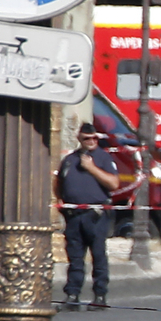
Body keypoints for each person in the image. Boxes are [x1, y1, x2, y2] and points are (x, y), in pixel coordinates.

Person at [57, 123, 120, 311]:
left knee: (98, 255)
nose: (91, 141)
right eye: (87, 138)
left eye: (94, 138)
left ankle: (100, 295)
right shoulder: (69, 160)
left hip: (96, 215)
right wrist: (62, 203)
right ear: (79, 139)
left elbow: (114, 183)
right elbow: (59, 182)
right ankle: (72, 295)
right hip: (74, 215)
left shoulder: (103, 158)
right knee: (75, 257)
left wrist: (91, 168)